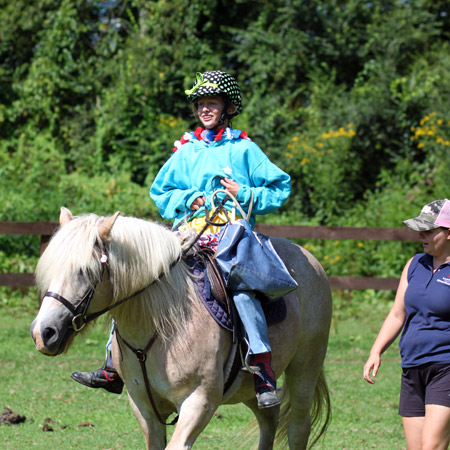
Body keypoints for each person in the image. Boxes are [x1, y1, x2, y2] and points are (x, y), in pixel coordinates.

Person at [72, 70, 292, 409]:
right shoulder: (186, 151)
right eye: (201, 104)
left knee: (244, 291)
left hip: (231, 235)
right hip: (186, 233)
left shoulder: (245, 149)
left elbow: (281, 187)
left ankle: (262, 369)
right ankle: (113, 365)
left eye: (212, 103)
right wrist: (190, 199)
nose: (205, 109)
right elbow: (160, 191)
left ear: (228, 107)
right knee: (138, 280)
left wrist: (244, 192)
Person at [363, 199, 450, 450]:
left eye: (429, 230)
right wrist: (376, 351)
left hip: (445, 367)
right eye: (419, 228)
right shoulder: (415, 264)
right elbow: (397, 314)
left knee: (431, 446)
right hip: (412, 365)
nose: (420, 234)